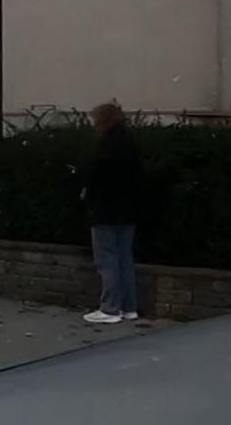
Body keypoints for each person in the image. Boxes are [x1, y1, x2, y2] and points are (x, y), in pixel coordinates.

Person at [82, 102, 145, 324]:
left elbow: (93, 175)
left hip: (105, 211)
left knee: (107, 259)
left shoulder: (104, 146)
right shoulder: (130, 144)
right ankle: (129, 307)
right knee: (125, 258)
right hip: (129, 211)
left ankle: (110, 308)